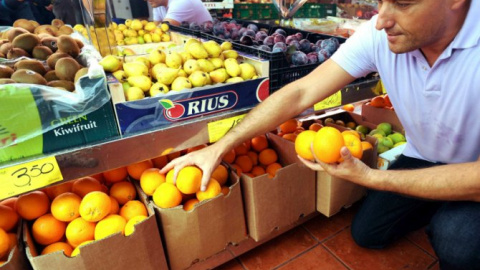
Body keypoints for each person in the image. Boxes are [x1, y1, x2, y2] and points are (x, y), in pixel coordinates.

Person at [160, 0, 480, 269]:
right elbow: (300, 93)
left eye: (403, 3)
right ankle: (439, 199)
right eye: (379, 0)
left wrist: (372, 178)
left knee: (456, 239)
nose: (381, 20)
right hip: (421, 156)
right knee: (367, 233)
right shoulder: (380, 36)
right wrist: (220, 146)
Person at [147, 0, 212, 26]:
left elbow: (163, 30)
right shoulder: (158, 5)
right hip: (187, 44)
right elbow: (155, 31)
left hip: (207, 48)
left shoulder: (181, 2)